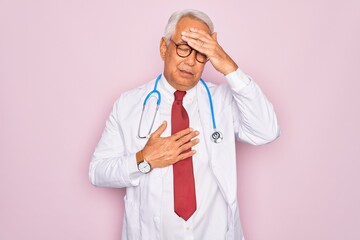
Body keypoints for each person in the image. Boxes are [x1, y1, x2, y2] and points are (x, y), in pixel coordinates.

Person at [89, 9, 279, 240]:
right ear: (163, 47)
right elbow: (97, 172)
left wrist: (228, 66)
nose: (191, 61)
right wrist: (144, 160)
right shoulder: (128, 104)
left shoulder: (223, 101)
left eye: (201, 53)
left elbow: (267, 131)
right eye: (183, 48)